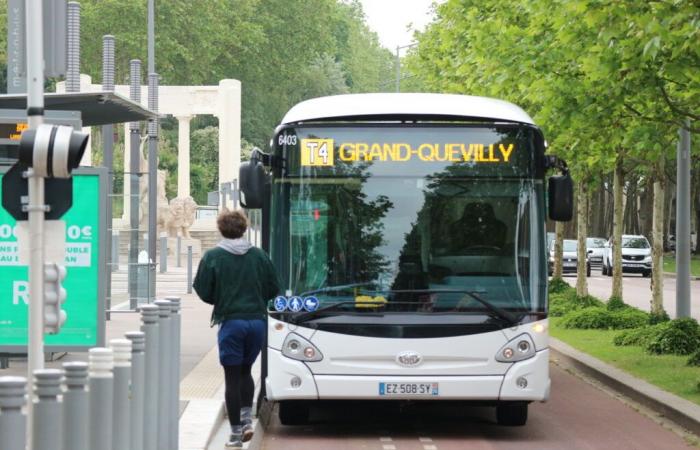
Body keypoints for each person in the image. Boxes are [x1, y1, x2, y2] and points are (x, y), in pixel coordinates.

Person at [193, 209, 281, 449]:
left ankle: (234, 434)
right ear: (244, 229)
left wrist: (220, 299)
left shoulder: (212, 256)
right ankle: (247, 421)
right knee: (246, 372)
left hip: (231, 322)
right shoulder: (260, 256)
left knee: (231, 378)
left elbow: (202, 290)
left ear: (221, 229)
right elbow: (274, 287)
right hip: (256, 322)